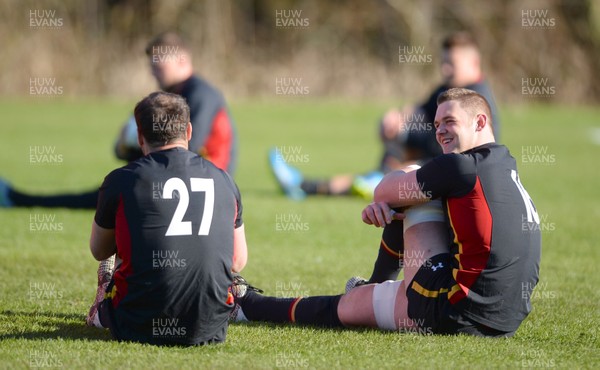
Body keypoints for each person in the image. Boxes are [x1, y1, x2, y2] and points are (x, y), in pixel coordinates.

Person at [231, 88, 541, 337]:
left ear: (480, 122)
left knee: (409, 176)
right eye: (436, 125)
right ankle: (254, 306)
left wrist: (389, 202)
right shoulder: (505, 165)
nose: (440, 132)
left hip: (456, 308)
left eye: (450, 122)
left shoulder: (460, 165)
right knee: (355, 305)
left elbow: (383, 189)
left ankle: (252, 305)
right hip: (504, 321)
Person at [0, 32, 237, 208]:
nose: (153, 71)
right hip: (176, 172)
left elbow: (189, 149)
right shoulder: (166, 98)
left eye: (158, 65)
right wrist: (129, 142)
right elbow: (124, 149)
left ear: (182, 61)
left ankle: (17, 198)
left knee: (106, 196)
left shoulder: (201, 94)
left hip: (200, 183)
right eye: (151, 66)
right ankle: (17, 197)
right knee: (108, 192)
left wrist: (137, 145)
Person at [85, 92, 247, 346]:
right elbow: (238, 260)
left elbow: (99, 250)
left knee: (117, 245)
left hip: (136, 324)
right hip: (209, 327)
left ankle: (102, 301)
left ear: (140, 137)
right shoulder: (224, 179)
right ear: (189, 131)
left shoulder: (121, 179)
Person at [270, 32, 501, 200]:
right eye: (443, 63)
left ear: (474, 63)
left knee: (385, 180)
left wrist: (406, 134)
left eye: (451, 64)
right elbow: (421, 110)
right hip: (428, 162)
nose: (445, 70)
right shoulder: (448, 89)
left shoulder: (475, 99)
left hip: (451, 174)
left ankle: (306, 185)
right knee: (384, 170)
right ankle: (311, 185)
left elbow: (457, 148)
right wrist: (398, 118)